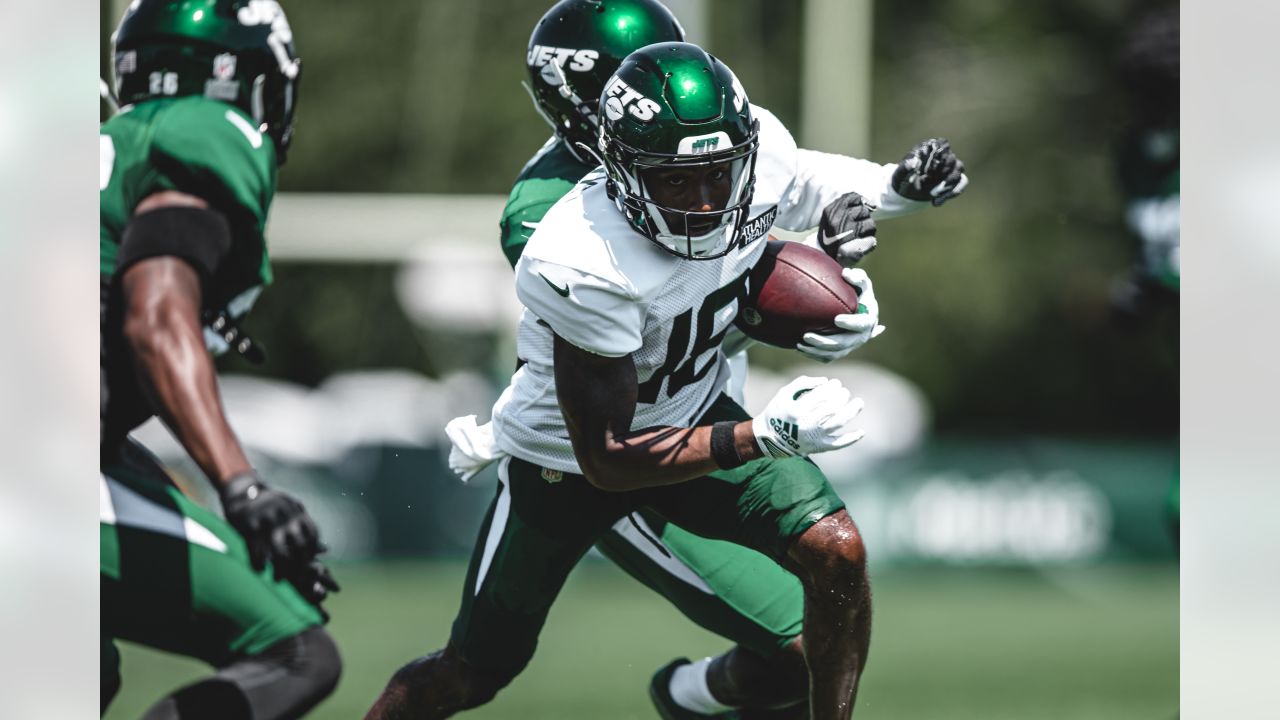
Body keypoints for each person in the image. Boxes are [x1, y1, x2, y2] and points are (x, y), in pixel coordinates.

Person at [366, 41, 966, 720]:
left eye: (718, 173)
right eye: (676, 182)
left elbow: (796, 194)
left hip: (694, 406)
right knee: (473, 673)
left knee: (837, 554)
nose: (706, 202)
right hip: (568, 463)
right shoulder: (581, 258)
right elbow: (609, 458)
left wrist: (858, 239)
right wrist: (764, 432)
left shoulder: (758, 154)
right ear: (619, 170)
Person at [100, 2, 340, 717]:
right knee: (293, 653)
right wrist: (242, 488)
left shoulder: (106, 147)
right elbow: (155, 317)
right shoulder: (205, 132)